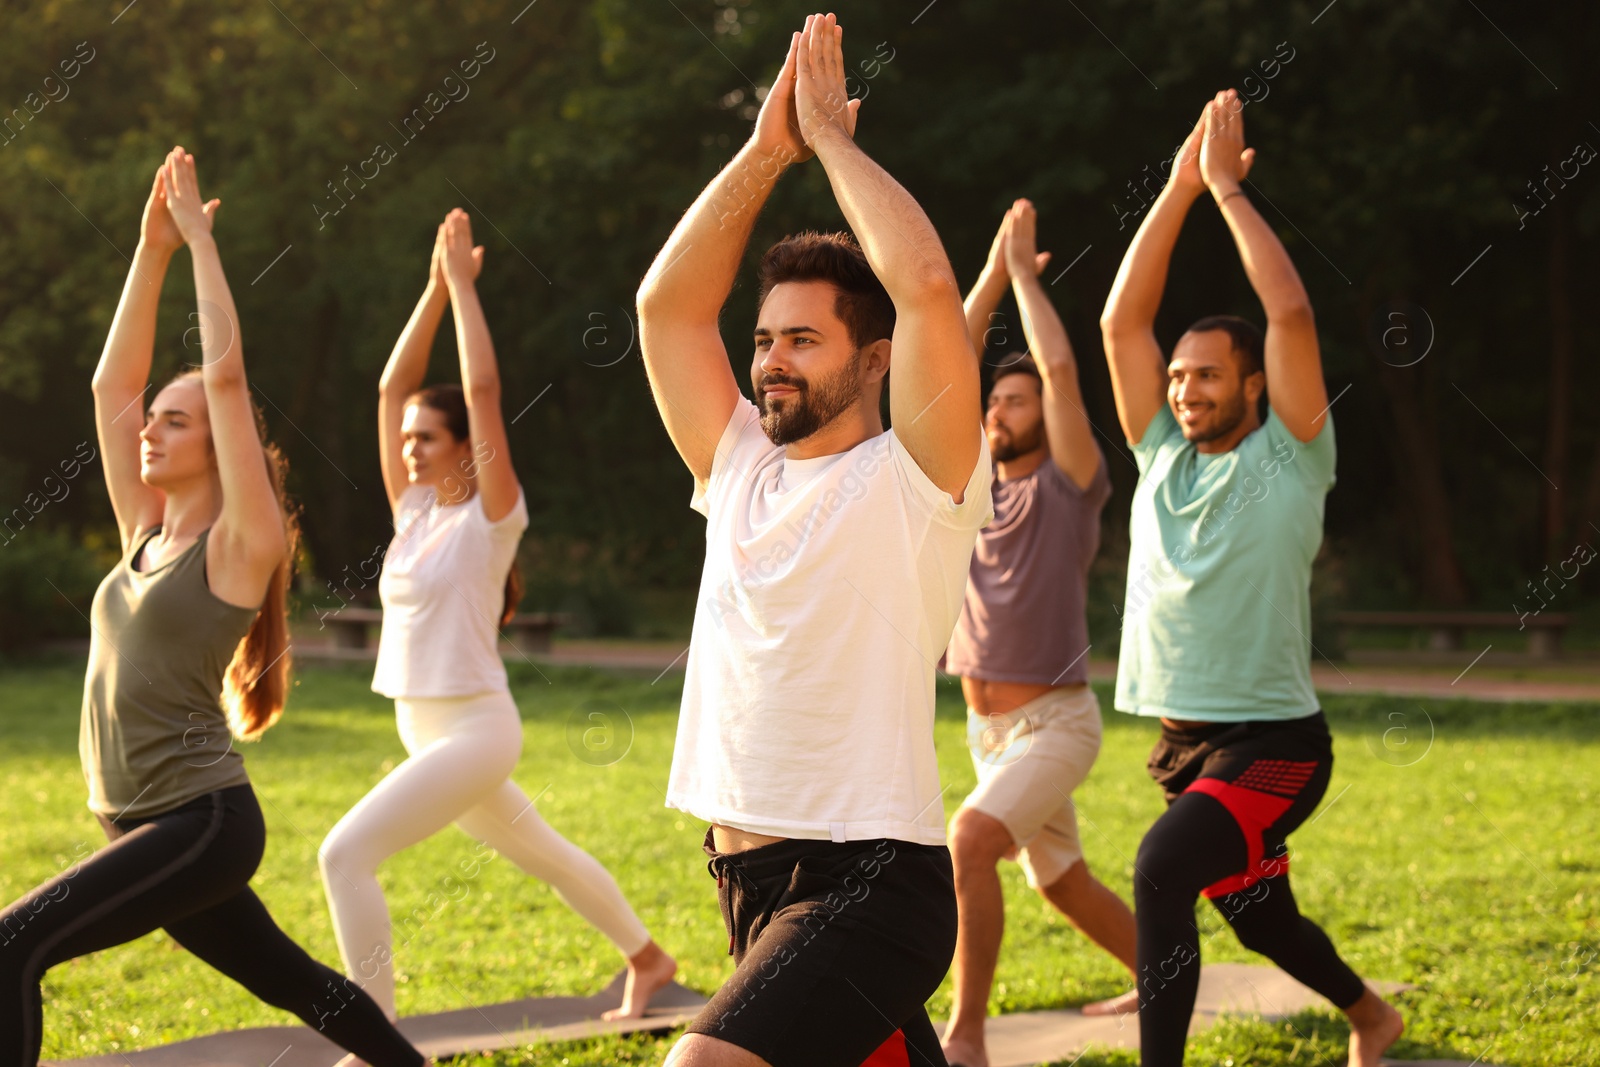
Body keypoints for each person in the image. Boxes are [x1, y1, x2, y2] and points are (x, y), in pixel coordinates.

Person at [0, 148, 424, 1067]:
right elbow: (112, 388)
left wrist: (199, 243)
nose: (150, 425)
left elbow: (227, 381)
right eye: (156, 417)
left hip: (198, 823)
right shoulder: (141, 533)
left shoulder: (239, 549)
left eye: (174, 420)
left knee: (10, 948)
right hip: (136, 818)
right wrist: (148, 250)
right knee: (293, 979)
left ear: (219, 450)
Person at [637, 14, 993, 1067]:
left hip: (868, 880)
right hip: (743, 874)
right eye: (761, 339)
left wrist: (832, 143)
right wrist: (764, 153)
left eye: (802, 338)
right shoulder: (737, 463)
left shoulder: (918, 476)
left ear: (875, 358)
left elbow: (927, 286)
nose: (771, 361)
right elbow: (664, 309)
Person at [1098, 92, 1405, 1067]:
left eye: (1207, 375)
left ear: (1254, 383)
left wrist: (1226, 190)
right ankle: (1369, 1013)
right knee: (1261, 918)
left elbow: (1288, 311)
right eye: (1179, 376)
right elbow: (1120, 319)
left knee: (1158, 869)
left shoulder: (1291, 454)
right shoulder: (1158, 457)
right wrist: (1178, 187)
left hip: (1275, 744)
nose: (1186, 387)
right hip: (1183, 745)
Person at [317, 209, 676, 1022]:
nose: (410, 447)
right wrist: (434, 290)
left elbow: (482, 390)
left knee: (345, 855)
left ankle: (373, 1038)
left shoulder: (492, 518)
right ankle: (649, 958)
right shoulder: (413, 513)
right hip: (425, 728)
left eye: (428, 437)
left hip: (476, 732)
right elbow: (387, 389)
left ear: (463, 448)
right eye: (408, 439)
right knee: (544, 853)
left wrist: (469, 292)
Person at [939, 200, 1137, 1067]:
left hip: (1056, 724)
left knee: (969, 843)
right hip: (989, 731)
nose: (1001, 410)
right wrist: (987, 274)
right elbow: (945, 365)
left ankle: (968, 1031)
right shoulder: (968, 489)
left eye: (1017, 400)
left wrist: (1025, 278)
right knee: (1062, 883)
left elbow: (1062, 371)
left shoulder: (1071, 489)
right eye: (996, 401)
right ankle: (1168, 974)